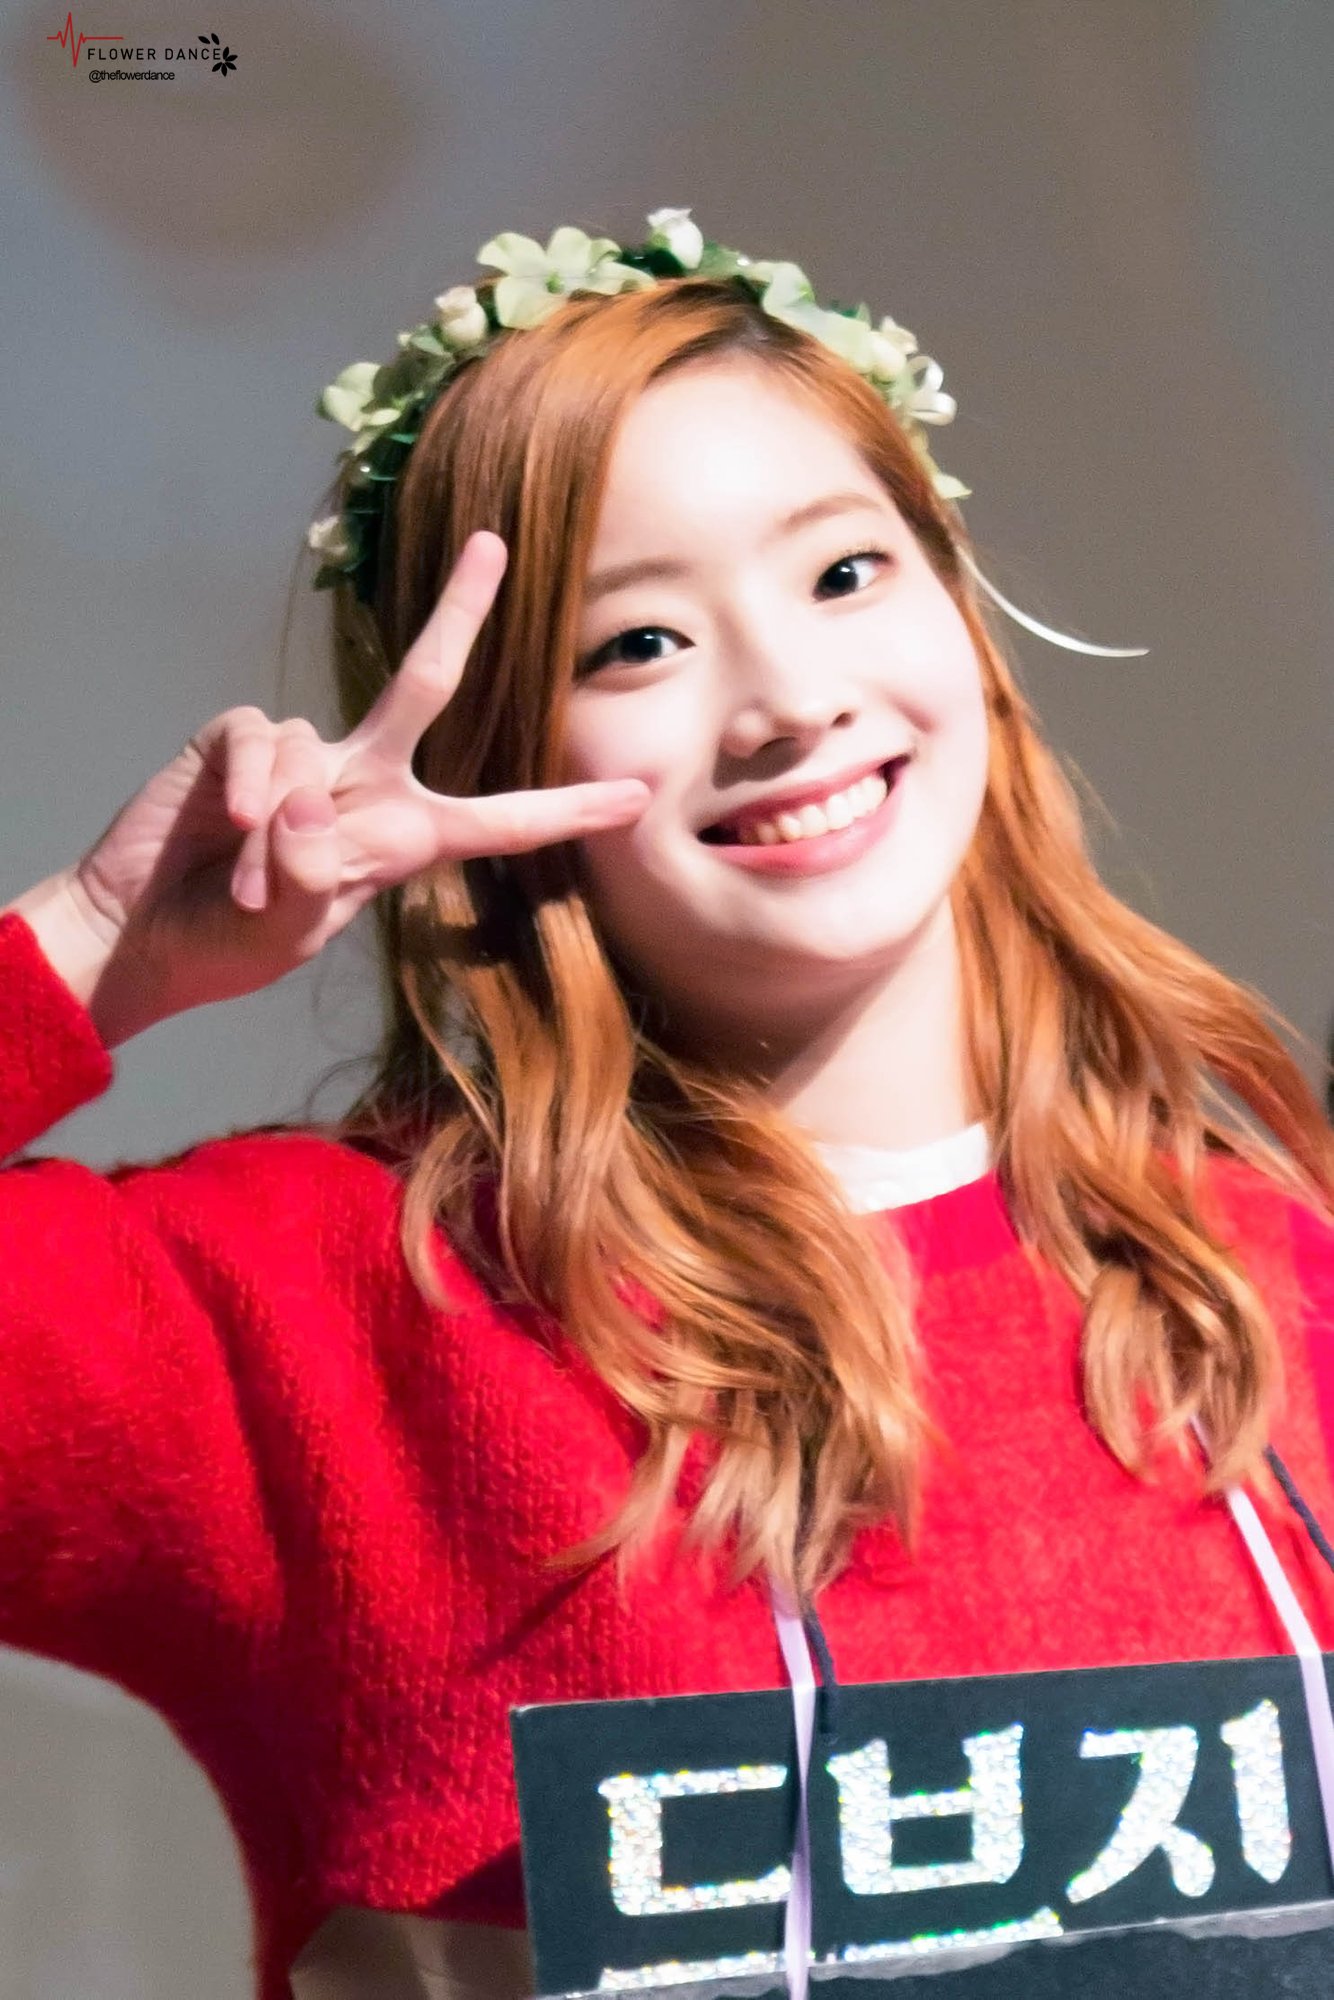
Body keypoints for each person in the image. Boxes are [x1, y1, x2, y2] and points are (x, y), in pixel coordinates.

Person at [2, 207, 1333, 2000]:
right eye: (633, 643)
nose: (786, 700)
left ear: (964, 619)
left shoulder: (1274, 1263)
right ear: (487, 756)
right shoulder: (317, 1312)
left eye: (842, 572)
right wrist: (91, 950)